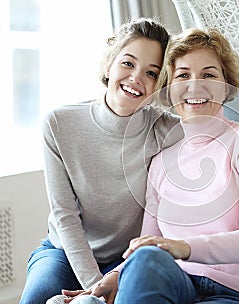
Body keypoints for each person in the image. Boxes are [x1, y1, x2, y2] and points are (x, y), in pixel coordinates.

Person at [65, 27, 239, 304]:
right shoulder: (161, 162)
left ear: (227, 85)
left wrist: (181, 248)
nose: (194, 86)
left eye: (208, 75)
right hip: (178, 282)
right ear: (168, 90)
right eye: (183, 75)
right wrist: (114, 277)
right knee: (143, 259)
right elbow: (150, 241)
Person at [19, 18, 178, 304]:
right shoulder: (60, 124)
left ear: (160, 84)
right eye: (128, 63)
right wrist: (95, 288)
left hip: (125, 259)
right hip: (64, 253)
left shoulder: (165, 128)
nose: (136, 78)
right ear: (109, 64)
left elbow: (226, 132)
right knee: (36, 299)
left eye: (151, 73)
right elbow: (65, 215)